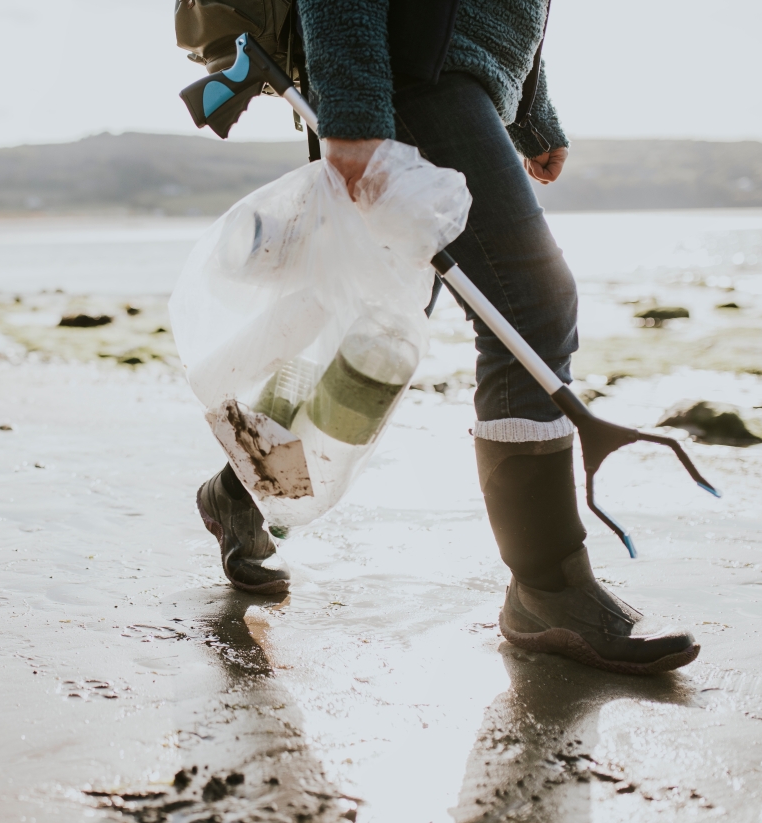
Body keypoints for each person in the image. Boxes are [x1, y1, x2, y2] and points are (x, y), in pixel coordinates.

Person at [196, 0, 701, 676]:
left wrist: (529, 108)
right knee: (530, 304)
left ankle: (239, 489)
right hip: (408, 75)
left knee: (368, 326)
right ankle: (547, 586)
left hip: (444, 76)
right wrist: (352, 114)